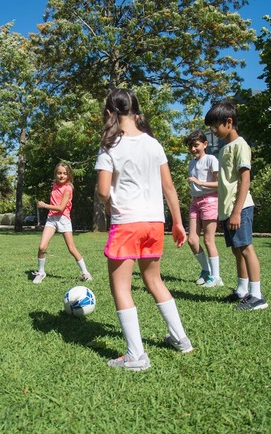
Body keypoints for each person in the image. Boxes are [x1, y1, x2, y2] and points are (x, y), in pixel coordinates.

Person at [95, 88, 193, 372]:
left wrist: (109, 198)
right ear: (135, 111)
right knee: (154, 281)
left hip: (126, 223)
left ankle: (136, 356)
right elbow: (169, 187)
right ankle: (181, 339)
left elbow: (103, 191)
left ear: (110, 112)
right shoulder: (154, 143)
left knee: (121, 288)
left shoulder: (110, 145)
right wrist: (177, 222)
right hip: (154, 222)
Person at [204, 101, 268, 311]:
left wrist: (236, 211)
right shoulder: (224, 149)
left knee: (247, 248)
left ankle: (257, 296)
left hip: (239, 208)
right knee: (237, 250)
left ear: (228, 122)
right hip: (227, 209)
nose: (213, 132)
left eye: (215, 127)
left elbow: (245, 181)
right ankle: (242, 291)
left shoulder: (241, 145)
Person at [32, 162, 92, 284]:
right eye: (59, 173)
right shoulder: (54, 184)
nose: (61, 176)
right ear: (55, 174)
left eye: (65, 174)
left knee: (71, 248)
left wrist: (44, 205)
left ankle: (85, 273)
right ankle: (41, 272)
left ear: (69, 175)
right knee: (42, 247)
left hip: (63, 219)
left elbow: (61, 208)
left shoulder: (68, 189)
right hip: (51, 219)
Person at [185, 130, 223, 288]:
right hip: (196, 202)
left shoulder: (211, 159)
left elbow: (219, 183)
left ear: (205, 144)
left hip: (210, 200)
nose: (193, 149)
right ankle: (206, 271)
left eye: (196, 145)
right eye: (190, 147)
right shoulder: (192, 162)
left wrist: (200, 183)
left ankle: (216, 278)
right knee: (192, 240)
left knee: (208, 240)